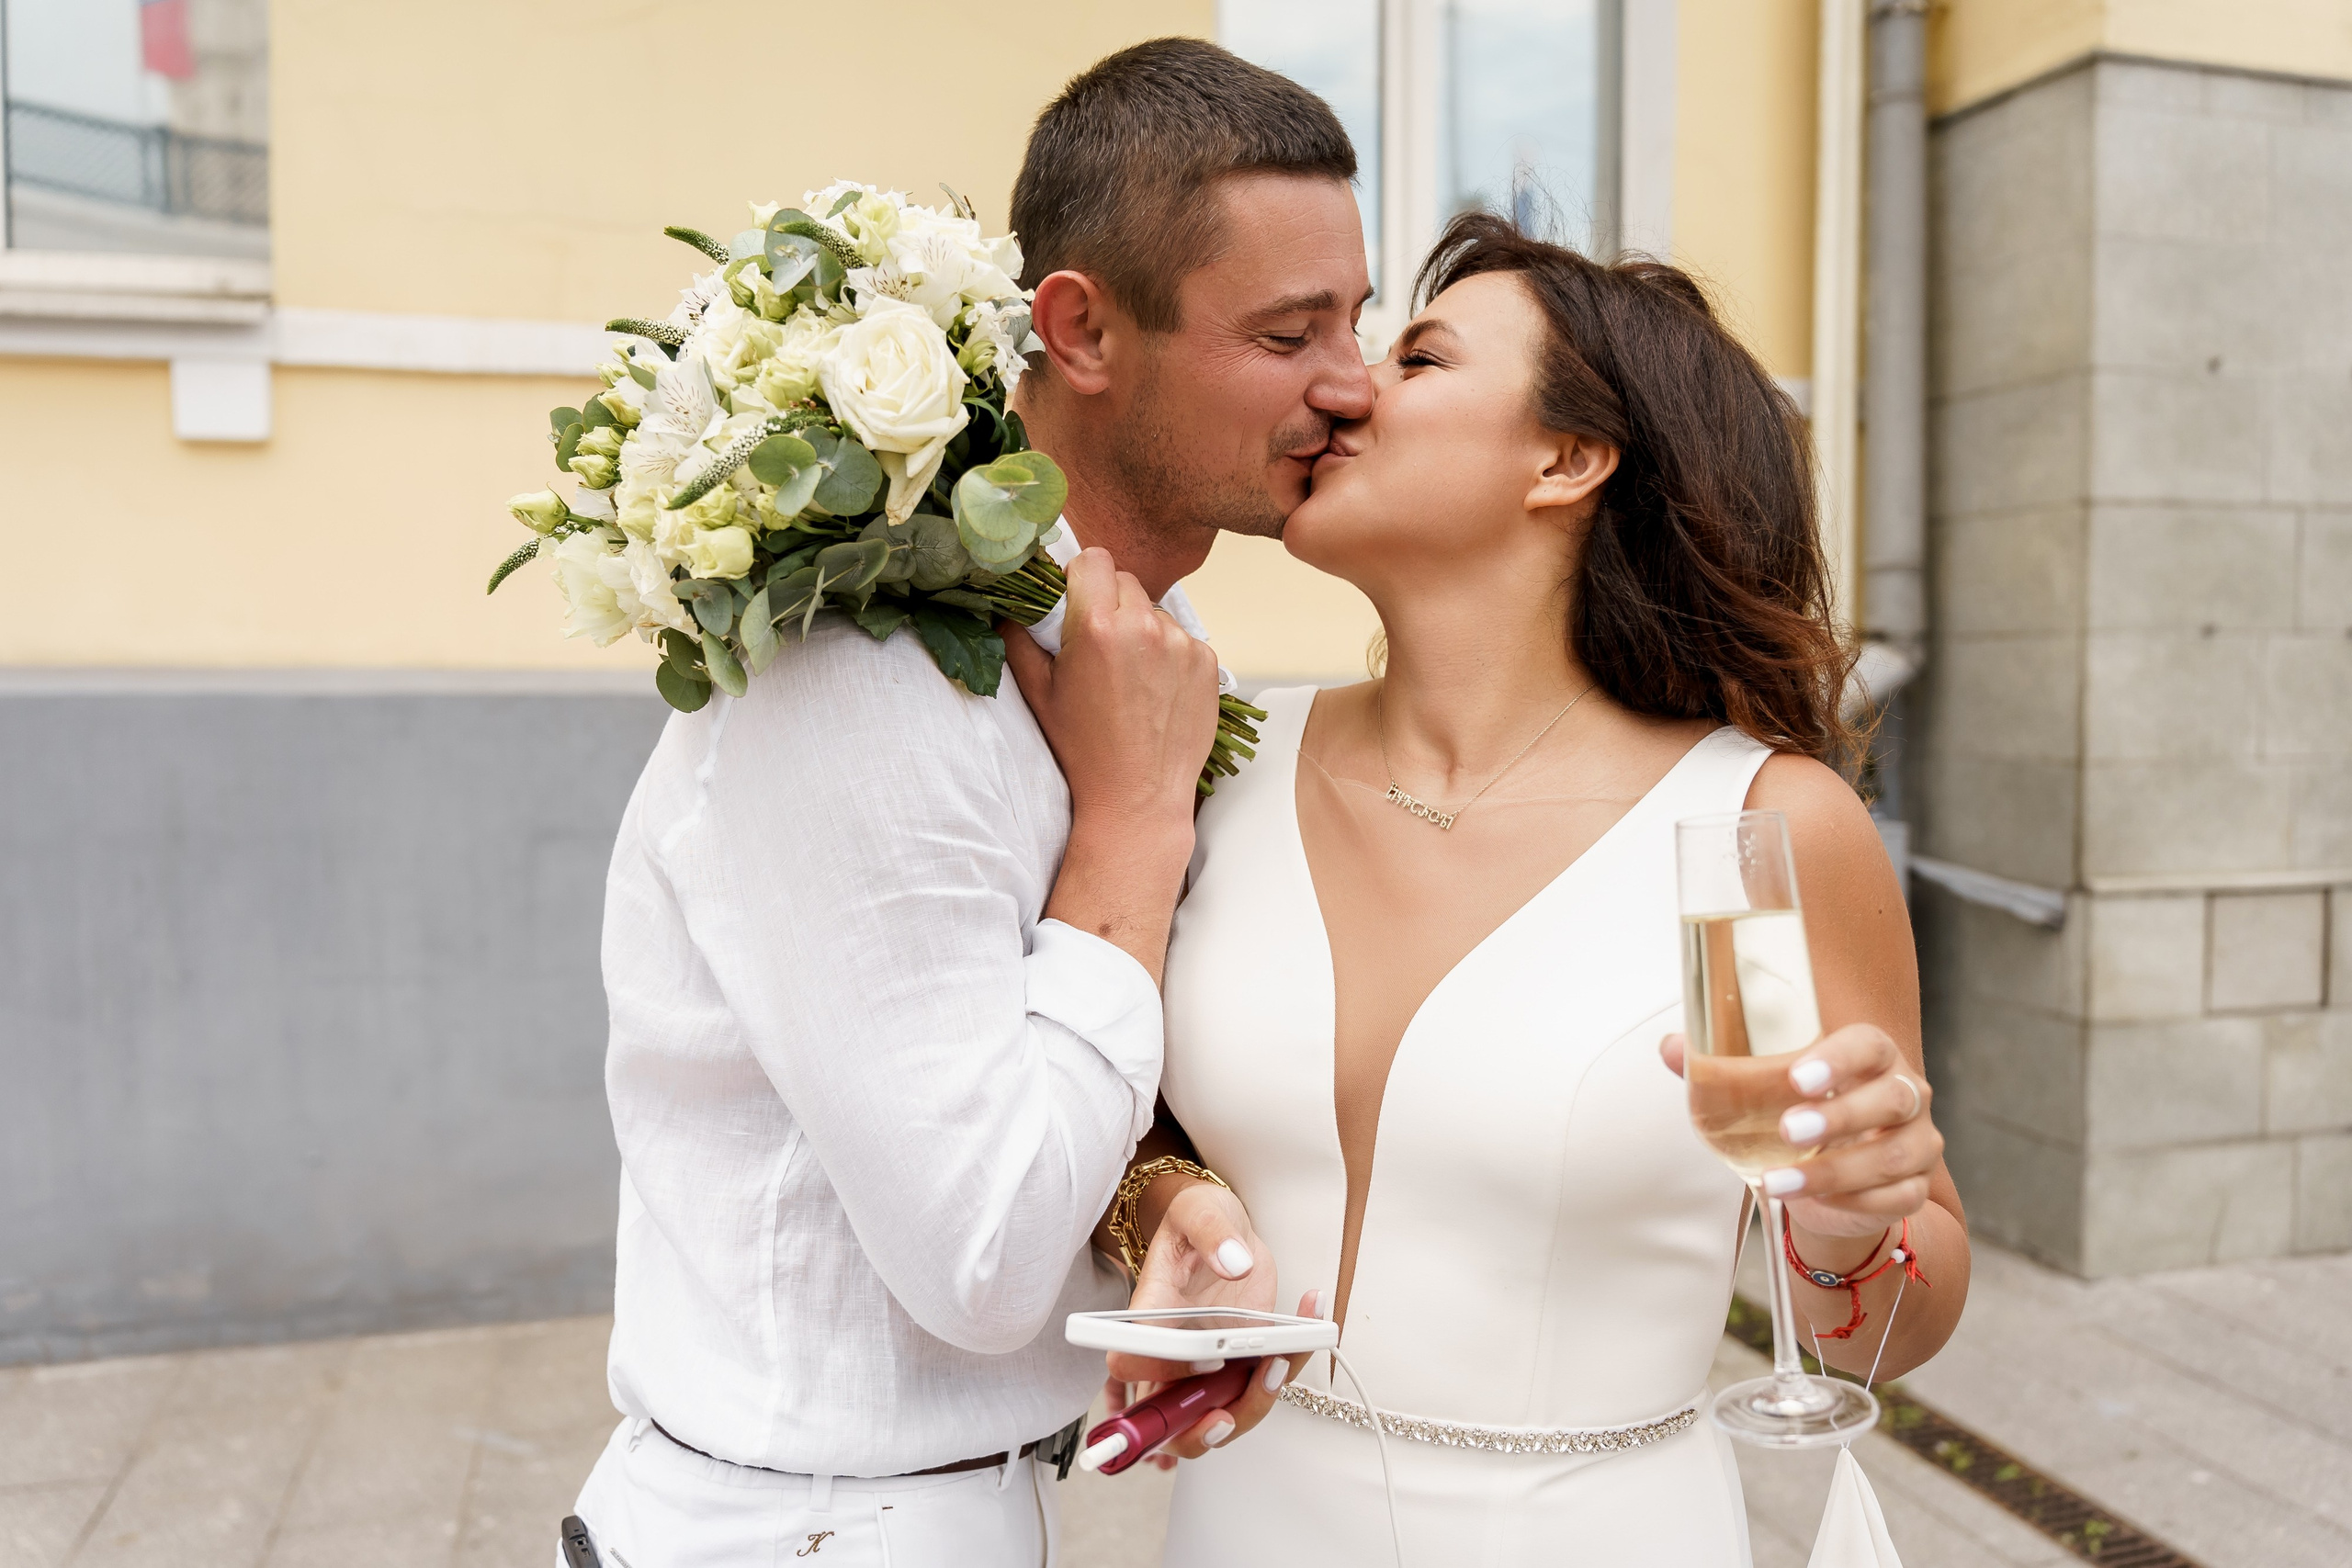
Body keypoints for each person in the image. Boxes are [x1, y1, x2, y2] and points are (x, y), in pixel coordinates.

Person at [564, 39, 1370, 1568]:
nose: (1352, 381)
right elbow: (985, 1258)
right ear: (1077, 329)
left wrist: (1156, 1203)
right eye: (1286, 333)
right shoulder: (859, 670)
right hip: (790, 1529)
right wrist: (1134, 832)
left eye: (1358, 315)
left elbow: (1007, 1048)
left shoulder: (1138, 652)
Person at [1111, 214, 1972, 1564]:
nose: (1344, 389)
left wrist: (1847, 1223)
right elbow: (1123, 1120)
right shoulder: (1224, 756)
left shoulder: (1757, 827)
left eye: (1421, 357)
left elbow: (1887, 1331)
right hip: (1244, 1527)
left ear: (1567, 460)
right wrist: (1160, 1212)